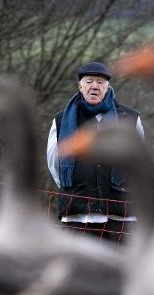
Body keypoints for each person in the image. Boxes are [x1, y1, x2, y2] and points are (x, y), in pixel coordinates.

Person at [46, 61, 144, 244]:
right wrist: (76, 188)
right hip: (78, 216)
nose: (94, 87)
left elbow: (139, 166)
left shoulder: (130, 119)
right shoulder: (61, 121)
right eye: (89, 81)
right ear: (80, 86)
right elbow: (55, 165)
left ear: (108, 87)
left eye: (100, 82)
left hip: (120, 218)